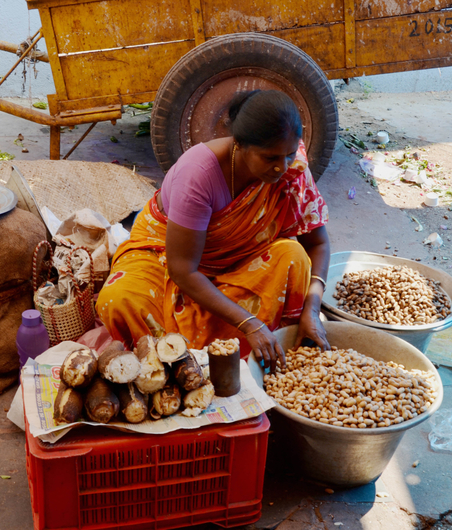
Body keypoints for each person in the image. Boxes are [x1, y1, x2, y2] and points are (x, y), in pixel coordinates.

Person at [97, 90, 330, 370]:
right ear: (240, 144)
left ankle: (241, 347)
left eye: (289, 154)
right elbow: (183, 269)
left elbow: (317, 243)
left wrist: (312, 310)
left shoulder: (292, 168)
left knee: (292, 256)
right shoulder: (198, 174)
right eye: (269, 158)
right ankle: (190, 361)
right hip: (169, 257)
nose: (281, 167)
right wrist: (249, 323)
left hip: (240, 261)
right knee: (118, 299)